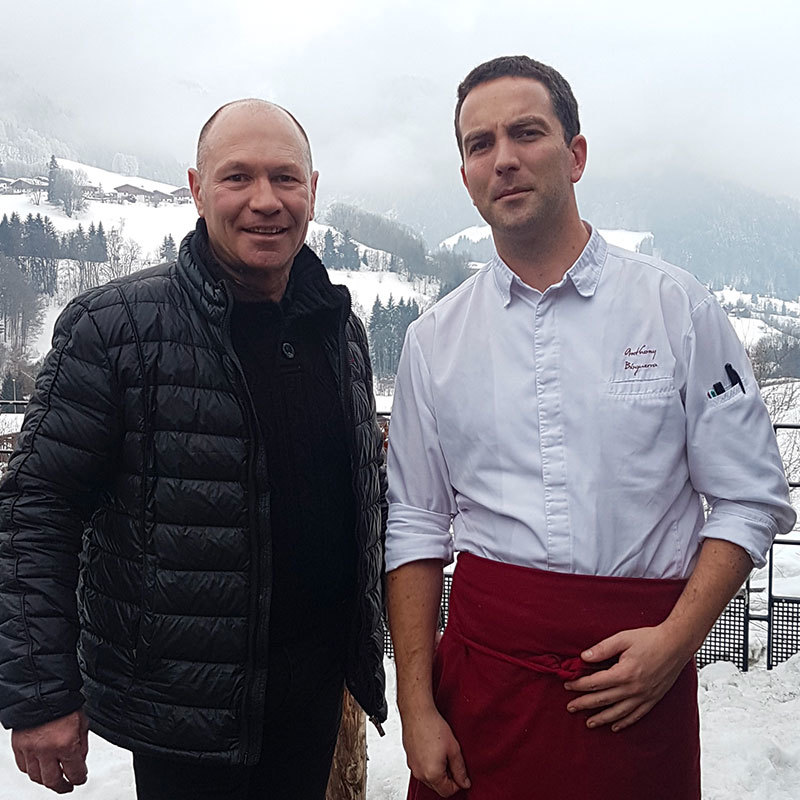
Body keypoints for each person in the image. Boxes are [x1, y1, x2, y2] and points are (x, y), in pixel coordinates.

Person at [385, 55, 795, 800]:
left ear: (575, 155)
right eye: (480, 145)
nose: (503, 158)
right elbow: (414, 524)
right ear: (466, 175)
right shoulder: (433, 340)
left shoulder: (676, 310)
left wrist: (676, 643)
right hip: (483, 690)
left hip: (637, 680)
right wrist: (417, 705)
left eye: (526, 133)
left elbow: (752, 497)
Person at [0, 99, 387, 799]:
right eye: (237, 177)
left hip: (310, 699)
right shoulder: (116, 329)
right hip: (184, 715)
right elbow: (36, 509)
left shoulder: (338, 330)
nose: (265, 201)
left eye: (285, 178)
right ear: (196, 188)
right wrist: (41, 694)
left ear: (313, 189)